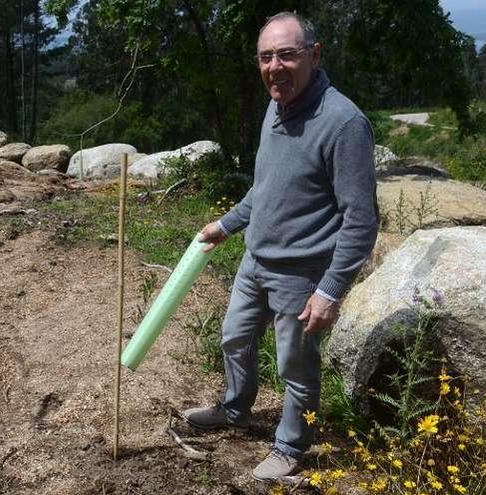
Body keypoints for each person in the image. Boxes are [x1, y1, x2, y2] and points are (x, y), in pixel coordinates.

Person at [183, 11, 379, 481]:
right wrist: (227, 225)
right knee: (234, 337)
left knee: (295, 364)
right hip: (256, 259)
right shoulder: (276, 105)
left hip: (303, 272)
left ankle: (290, 445)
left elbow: (362, 218)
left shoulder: (344, 122)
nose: (275, 66)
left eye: (287, 55)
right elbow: (267, 186)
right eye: (266, 57)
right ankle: (235, 409)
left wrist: (330, 290)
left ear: (314, 54)